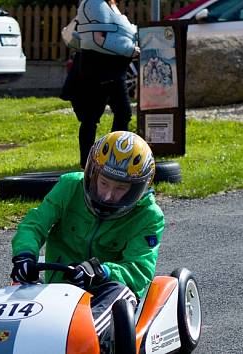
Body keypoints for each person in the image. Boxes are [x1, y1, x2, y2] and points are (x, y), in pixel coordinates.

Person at [10, 131, 164, 349]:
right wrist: (24, 256)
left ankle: (84, 340)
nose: (108, 195)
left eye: (120, 188)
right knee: (20, 282)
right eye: (104, 183)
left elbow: (139, 271)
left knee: (119, 293)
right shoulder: (69, 186)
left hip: (104, 291)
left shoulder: (149, 216)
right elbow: (34, 224)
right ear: (92, 175)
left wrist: (102, 271)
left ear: (138, 188)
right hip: (58, 286)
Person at [60, 0, 140, 168]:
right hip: (97, 69)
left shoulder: (109, 4)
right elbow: (96, 39)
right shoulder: (93, 3)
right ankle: (88, 163)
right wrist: (129, 50)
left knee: (123, 113)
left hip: (115, 70)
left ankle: (114, 158)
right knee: (91, 117)